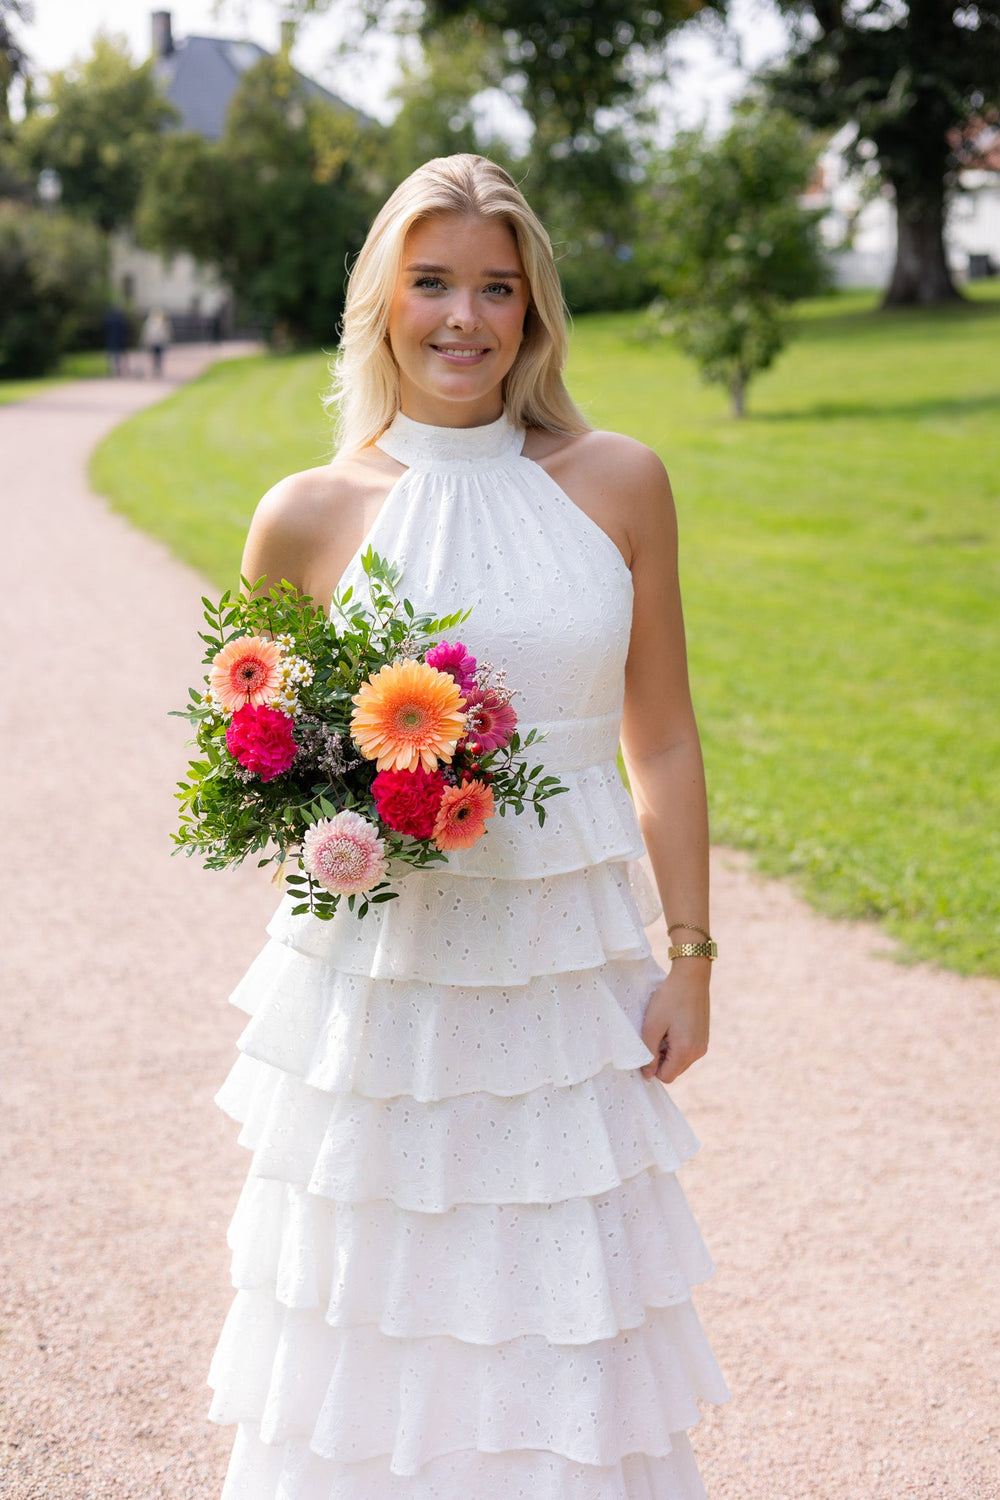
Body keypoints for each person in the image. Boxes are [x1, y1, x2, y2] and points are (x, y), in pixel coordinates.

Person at [207, 154, 728, 1498]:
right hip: (386, 993)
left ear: (536, 311)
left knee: (567, 1315)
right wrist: (355, 794)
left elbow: (659, 735)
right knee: (383, 1312)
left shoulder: (619, 483)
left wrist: (692, 955)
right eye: (432, 283)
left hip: (569, 986)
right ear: (382, 300)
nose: (465, 319)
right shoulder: (305, 516)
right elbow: (260, 760)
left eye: (498, 288)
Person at [140, 307, 171, 377]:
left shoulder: (150, 322)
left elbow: (146, 332)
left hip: (155, 342)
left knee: (156, 356)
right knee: (158, 356)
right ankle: (157, 368)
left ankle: (156, 368)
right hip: (158, 342)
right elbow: (165, 333)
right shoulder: (160, 322)